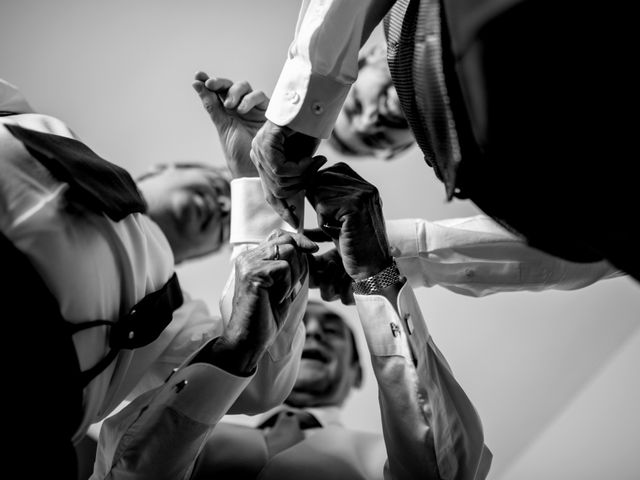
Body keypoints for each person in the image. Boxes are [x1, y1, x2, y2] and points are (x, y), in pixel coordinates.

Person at [0, 76, 313, 479]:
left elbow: (260, 380)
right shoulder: (24, 116)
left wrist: (253, 183)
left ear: (206, 254)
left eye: (229, 219)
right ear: (168, 167)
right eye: (218, 186)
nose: (222, 206)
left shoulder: (176, 317)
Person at [249, 0, 639, 283]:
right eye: (374, 137)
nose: (372, 119)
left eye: (351, 110)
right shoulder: (469, 172)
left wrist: (299, 112)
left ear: (364, 59)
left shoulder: (415, 12)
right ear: (403, 148)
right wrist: (389, 257)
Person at [190, 161, 492, 480]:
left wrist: (375, 275)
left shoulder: (384, 459)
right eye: (304, 327)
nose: (317, 335)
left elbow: (446, 470)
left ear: (358, 373)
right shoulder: (185, 428)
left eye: (333, 332)